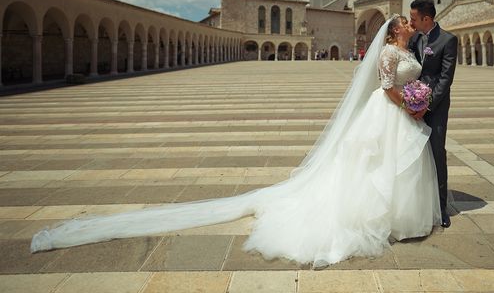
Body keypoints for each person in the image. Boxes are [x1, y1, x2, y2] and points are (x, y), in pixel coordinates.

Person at [31, 15, 441, 268]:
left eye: (408, 19)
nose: (408, 22)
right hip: (390, 110)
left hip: (399, 111)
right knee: (377, 165)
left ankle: (400, 215)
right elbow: (388, 85)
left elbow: (410, 76)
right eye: (403, 21)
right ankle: (382, 216)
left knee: (394, 165)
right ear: (392, 32)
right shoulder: (389, 53)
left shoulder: (410, 46)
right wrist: (410, 105)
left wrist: (416, 99)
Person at [408, 0, 458, 228]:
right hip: (411, 104)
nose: (411, 22)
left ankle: (440, 207)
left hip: (435, 107)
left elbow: (446, 78)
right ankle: (417, 203)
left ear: (426, 19)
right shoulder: (414, 38)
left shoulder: (448, 40)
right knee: (413, 153)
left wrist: (426, 105)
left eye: (414, 18)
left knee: (437, 151)